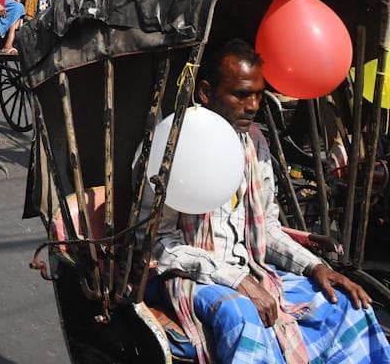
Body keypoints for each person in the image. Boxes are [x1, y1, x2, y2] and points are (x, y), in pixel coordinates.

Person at [143, 39, 390, 363]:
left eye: (259, 94)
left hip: (250, 266)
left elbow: (267, 228)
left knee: (344, 302)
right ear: (205, 92)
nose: (253, 105)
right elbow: (159, 244)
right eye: (241, 94)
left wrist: (314, 266)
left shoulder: (254, 143)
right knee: (242, 315)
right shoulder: (173, 146)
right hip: (188, 276)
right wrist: (235, 279)